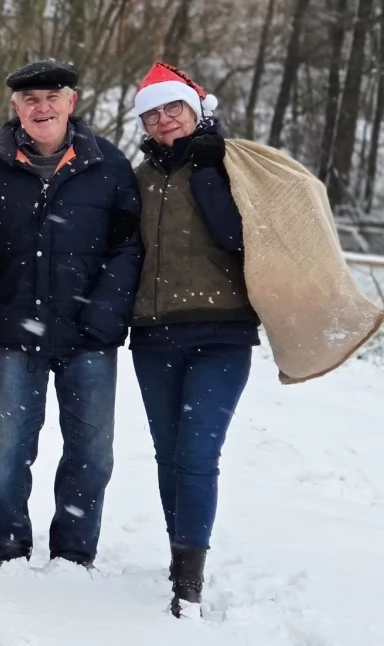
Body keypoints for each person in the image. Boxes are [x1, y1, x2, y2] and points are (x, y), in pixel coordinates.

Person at [0, 61, 143, 569]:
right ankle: (7, 544)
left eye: (52, 96)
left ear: (73, 101)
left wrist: (104, 315)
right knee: (7, 450)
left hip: (88, 335)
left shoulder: (108, 165)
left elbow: (129, 246)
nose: (41, 107)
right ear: (15, 108)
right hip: (13, 330)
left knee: (91, 452)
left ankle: (73, 549)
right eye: (30, 100)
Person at [128, 62, 256, 617]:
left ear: (195, 108)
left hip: (222, 330)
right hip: (154, 334)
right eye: (152, 114)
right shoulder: (138, 176)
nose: (163, 120)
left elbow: (235, 235)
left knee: (198, 454)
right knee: (167, 455)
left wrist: (207, 169)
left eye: (172, 108)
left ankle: (189, 584)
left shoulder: (232, 163)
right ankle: (181, 556)